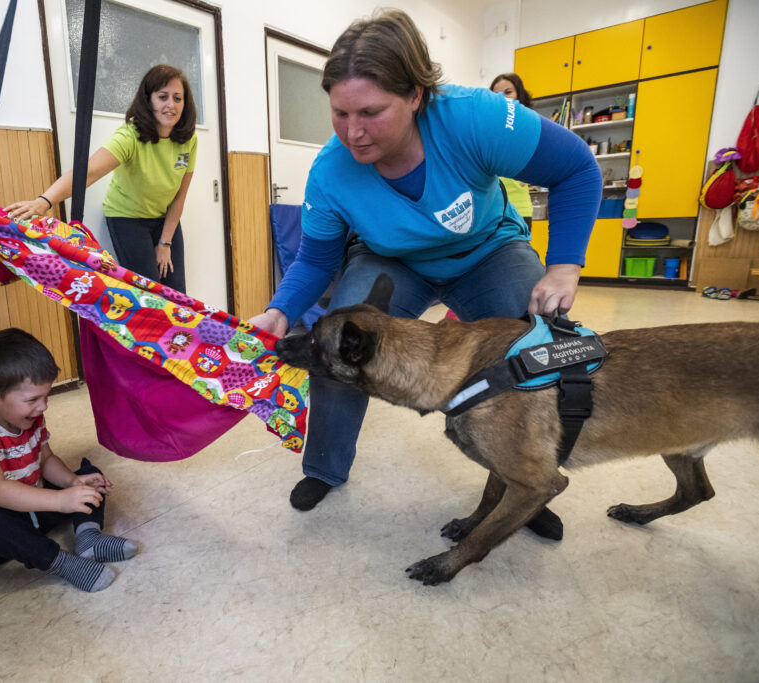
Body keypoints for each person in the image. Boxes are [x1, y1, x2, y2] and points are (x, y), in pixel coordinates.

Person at [249, 9, 602, 540]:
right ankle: (323, 466)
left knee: (531, 347)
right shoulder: (330, 171)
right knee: (339, 339)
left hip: (488, 249)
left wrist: (564, 267)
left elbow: (577, 168)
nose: (353, 132)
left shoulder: (474, 117)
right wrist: (280, 310)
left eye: (370, 111)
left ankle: (523, 480)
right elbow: (317, 258)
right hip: (394, 261)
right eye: (340, 113)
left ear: (415, 95)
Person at [0, 328, 137, 593]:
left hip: (32, 508)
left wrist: (73, 482)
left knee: (89, 473)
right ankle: (62, 562)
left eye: (46, 396)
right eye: (33, 399)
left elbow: (46, 458)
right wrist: (61, 501)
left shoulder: (30, 418)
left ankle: (89, 539)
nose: (44, 406)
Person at [5, 64, 197, 293]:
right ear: (148, 100)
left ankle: (181, 331)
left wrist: (165, 243)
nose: (171, 105)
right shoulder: (130, 137)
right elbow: (87, 173)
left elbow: (179, 196)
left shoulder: (188, 140)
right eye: (162, 97)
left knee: (178, 292)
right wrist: (44, 201)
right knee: (151, 292)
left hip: (165, 219)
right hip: (129, 219)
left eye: (178, 98)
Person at [490, 72, 535, 226]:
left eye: (508, 92)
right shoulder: (490, 130)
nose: (503, 98)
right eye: (497, 95)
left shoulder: (528, 125)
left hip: (519, 209)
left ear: (519, 95)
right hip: (492, 211)